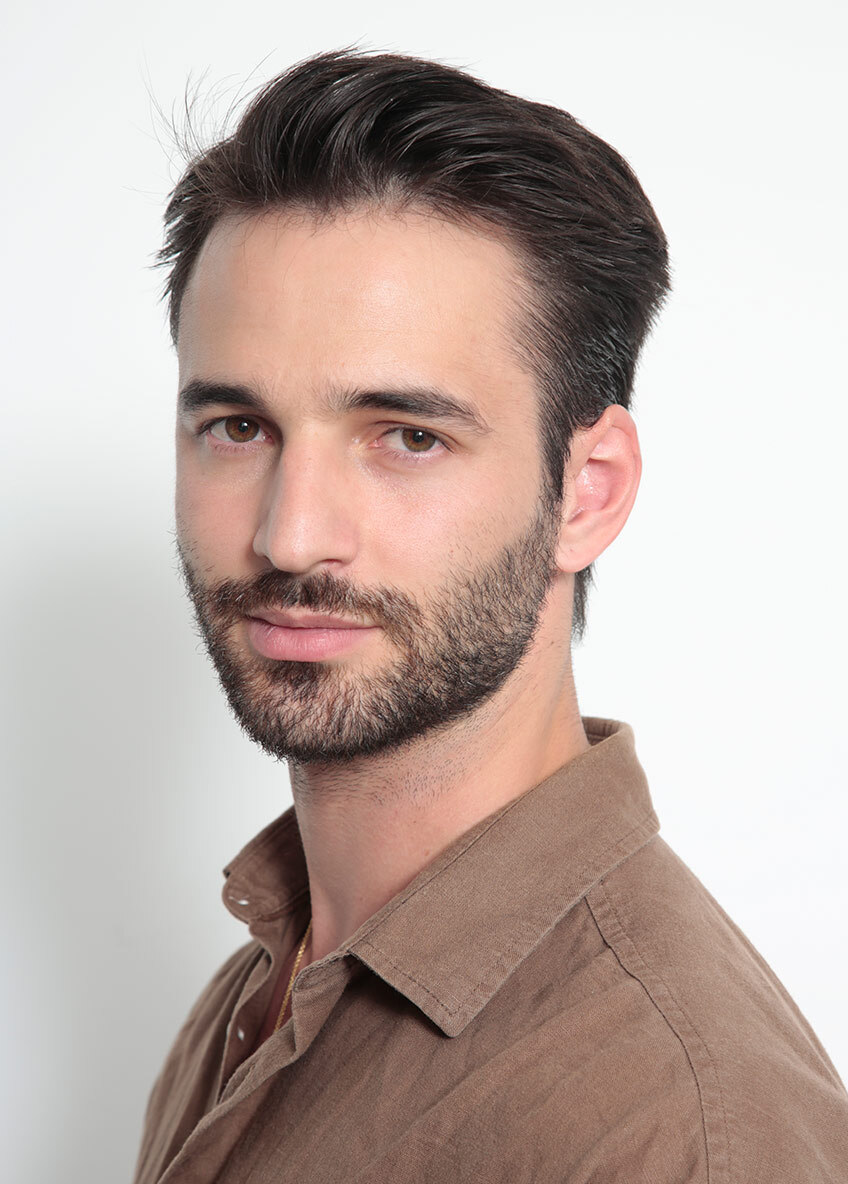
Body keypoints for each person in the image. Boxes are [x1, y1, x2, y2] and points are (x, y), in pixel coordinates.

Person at [133, 48, 848, 1183]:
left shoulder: (685, 1133)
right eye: (238, 427)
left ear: (586, 493)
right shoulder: (265, 980)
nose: (289, 535)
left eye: (408, 436)